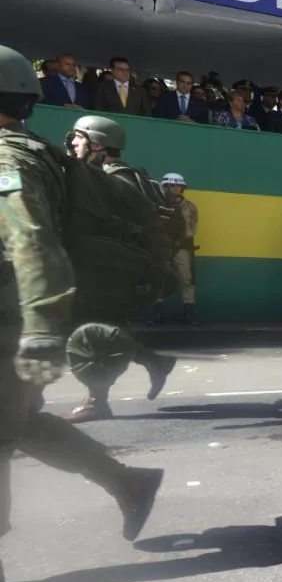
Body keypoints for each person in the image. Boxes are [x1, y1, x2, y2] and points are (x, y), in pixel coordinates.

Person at [0, 45, 164, 582]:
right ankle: (128, 484)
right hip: (19, 315)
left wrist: (44, 330)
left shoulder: (10, 158)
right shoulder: (38, 152)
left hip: (12, 319)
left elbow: (31, 241)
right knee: (17, 424)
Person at [60, 115, 177, 422]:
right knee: (99, 330)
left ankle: (96, 401)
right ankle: (155, 362)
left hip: (115, 272)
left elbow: (145, 231)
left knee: (90, 335)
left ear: (97, 143)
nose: (72, 143)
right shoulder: (104, 176)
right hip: (108, 269)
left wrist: (150, 279)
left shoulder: (113, 179)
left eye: (78, 138)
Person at [158, 173, 199, 324]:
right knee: (159, 279)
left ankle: (189, 314)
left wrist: (180, 242)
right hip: (161, 247)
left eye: (179, 186)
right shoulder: (157, 204)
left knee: (187, 279)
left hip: (182, 247)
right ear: (165, 187)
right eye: (172, 185)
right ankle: (158, 314)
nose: (176, 188)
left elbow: (192, 228)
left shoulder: (189, 207)